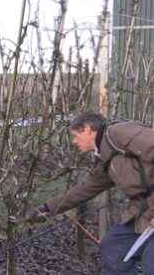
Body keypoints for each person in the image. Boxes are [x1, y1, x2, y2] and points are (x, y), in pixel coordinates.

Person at [26, 111, 154, 274]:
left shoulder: (120, 134)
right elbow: (85, 189)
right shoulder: (106, 157)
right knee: (113, 246)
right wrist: (46, 209)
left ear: (87, 129)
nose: (74, 141)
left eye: (76, 135)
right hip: (142, 211)